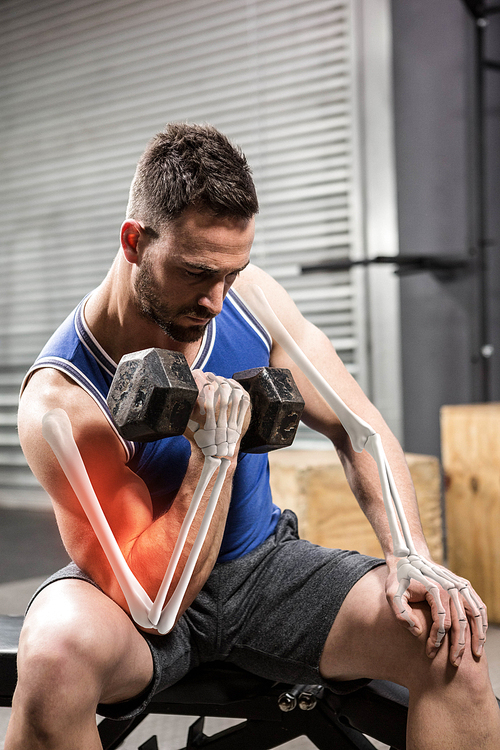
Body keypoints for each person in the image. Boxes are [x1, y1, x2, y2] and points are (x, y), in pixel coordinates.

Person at [6, 123, 499, 750]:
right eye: (196, 272)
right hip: (136, 600)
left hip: (261, 567)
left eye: (232, 273)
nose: (216, 300)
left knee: (448, 635)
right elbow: (154, 602)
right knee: (53, 657)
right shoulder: (63, 401)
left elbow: (361, 431)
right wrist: (212, 454)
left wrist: (409, 553)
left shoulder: (250, 301)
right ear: (134, 242)